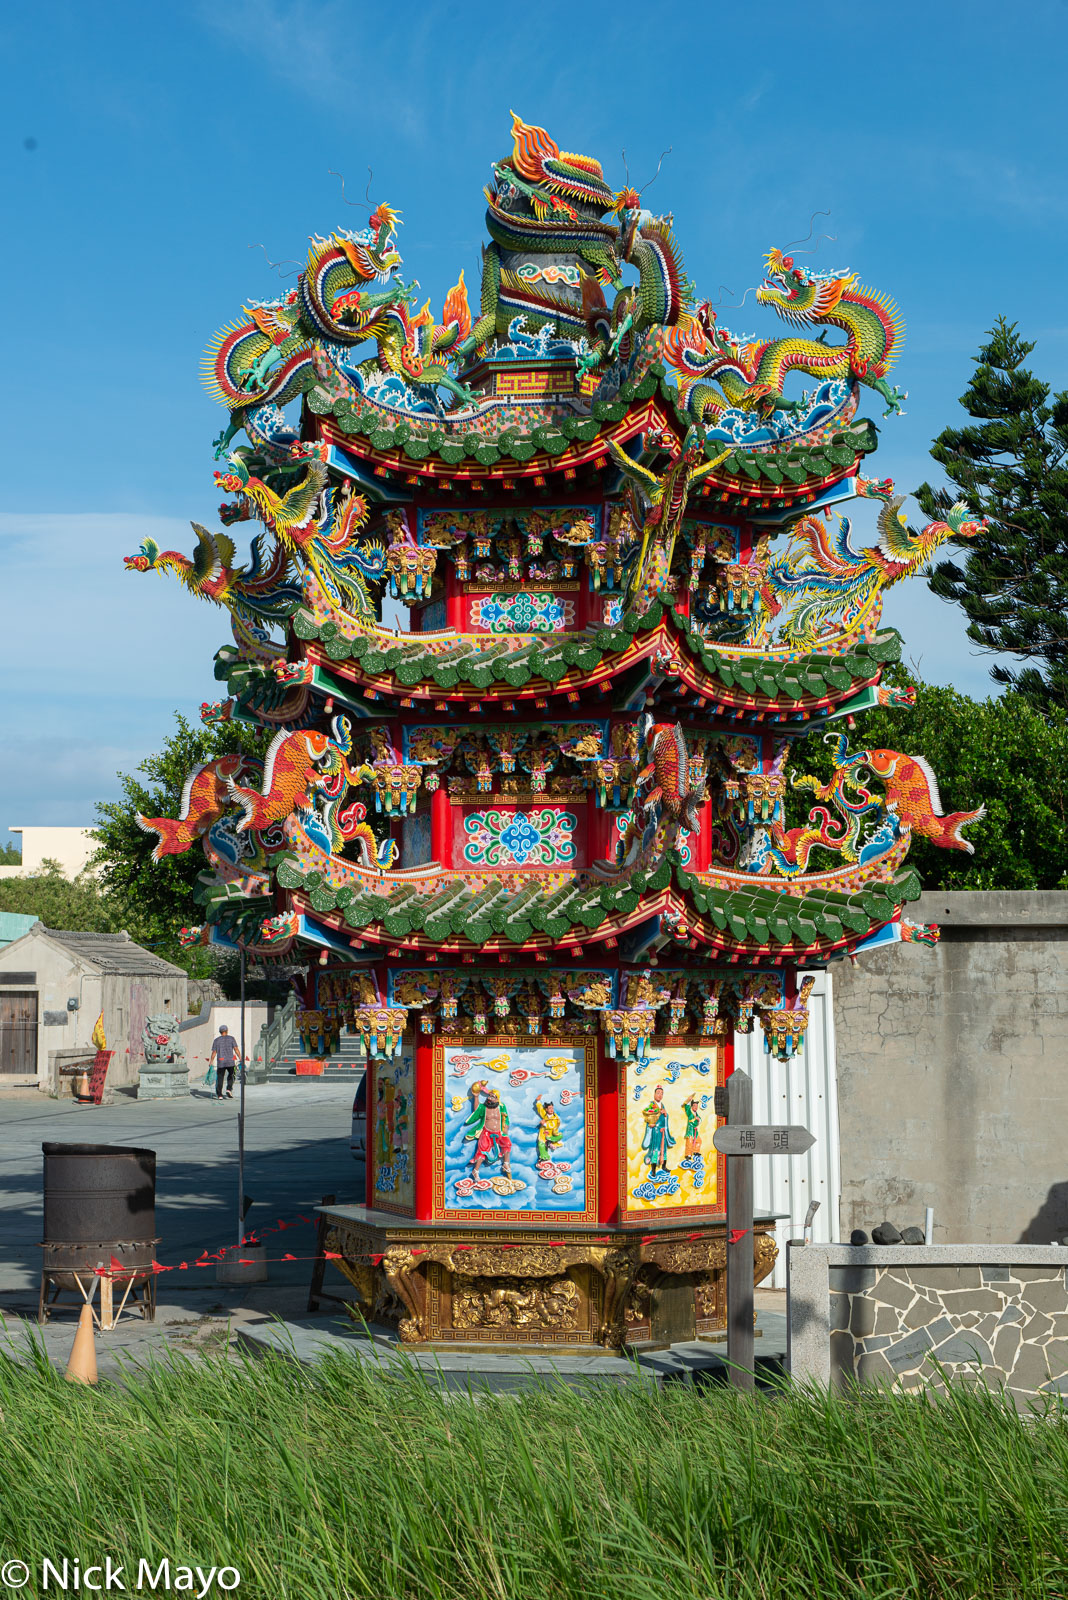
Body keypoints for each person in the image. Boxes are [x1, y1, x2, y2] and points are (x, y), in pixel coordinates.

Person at [641, 1084, 675, 1175]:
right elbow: (649, 1116)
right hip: (656, 1132)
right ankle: (653, 1170)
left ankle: (664, 1166)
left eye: (662, 1093)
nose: (660, 1095)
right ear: (654, 1094)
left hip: (663, 1131)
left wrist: (665, 1114)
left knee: (664, 1150)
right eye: (658, 1093)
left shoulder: (662, 1105)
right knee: (655, 1149)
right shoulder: (652, 1105)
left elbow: (665, 1117)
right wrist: (651, 1124)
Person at [209, 1024, 241, 1100]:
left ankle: (219, 1094)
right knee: (232, 1075)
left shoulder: (216, 1040)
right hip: (230, 1061)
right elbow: (236, 1049)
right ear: (227, 1031)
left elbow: (214, 1052)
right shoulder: (232, 1039)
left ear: (220, 1032)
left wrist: (211, 1061)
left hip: (221, 1062)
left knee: (220, 1078)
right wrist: (240, 1057)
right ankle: (229, 1089)